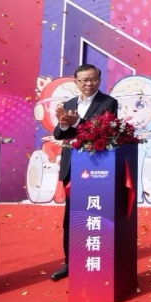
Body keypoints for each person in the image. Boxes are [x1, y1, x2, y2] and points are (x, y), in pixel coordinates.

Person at [50, 63, 119, 281]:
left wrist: (78, 121)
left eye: (93, 79)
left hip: (97, 169)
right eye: (84, 80)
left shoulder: (108, 102)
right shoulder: (69, 103)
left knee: (96, 216)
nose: (89, 84)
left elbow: (104, 131)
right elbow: (60, 134)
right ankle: (70, 262)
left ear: (99, 80)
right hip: (73, 167)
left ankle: (97, 259)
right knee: (71, 218)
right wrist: (63, 124)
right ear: (76, 82)